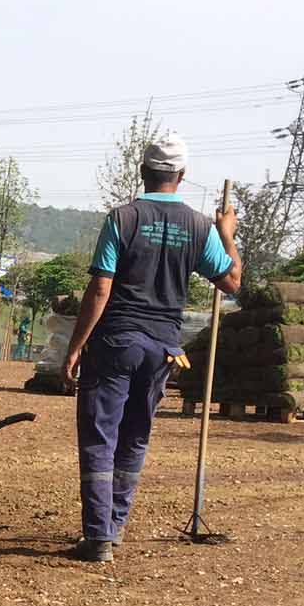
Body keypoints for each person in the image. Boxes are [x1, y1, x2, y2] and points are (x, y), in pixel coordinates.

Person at [62, 134, 242, 563]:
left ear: (142, 171)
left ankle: (98, 536)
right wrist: (227, 234)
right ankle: (116, 526)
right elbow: (232, 281)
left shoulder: (122, 218)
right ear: (182, 176)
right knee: (135, 435)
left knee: (100, 436)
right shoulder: (200, 227)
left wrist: (75, 347)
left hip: (115, 343)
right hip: (163, 348)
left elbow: (101, 287)